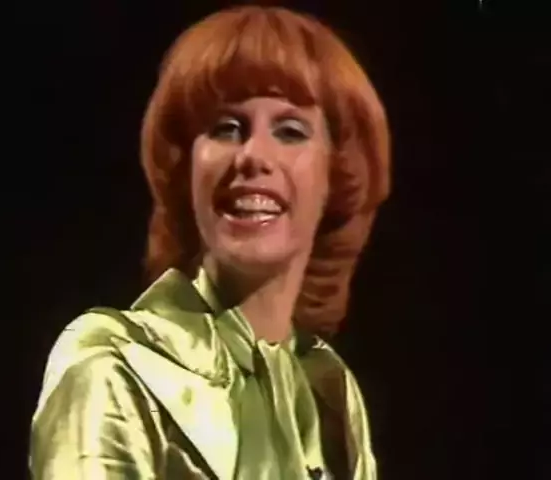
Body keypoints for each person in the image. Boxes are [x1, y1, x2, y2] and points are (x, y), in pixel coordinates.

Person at [29, 5, 390, 480]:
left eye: (289, 131)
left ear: (337, 175)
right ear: (185, 169)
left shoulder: (330, 394)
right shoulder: (114, 362)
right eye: (226, 128)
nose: (253, 155)